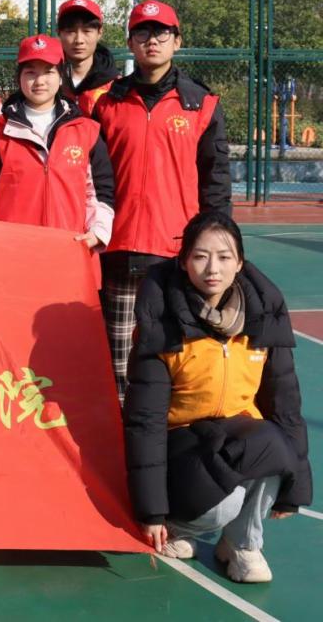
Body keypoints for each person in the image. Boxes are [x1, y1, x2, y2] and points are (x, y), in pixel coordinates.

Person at [124, 211, 311, 583]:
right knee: (222, 504)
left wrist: (296, 487)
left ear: (240, 263)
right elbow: (145, 423)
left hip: (237, 437)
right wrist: (152, 511)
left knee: (274, 447)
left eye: (224, 257)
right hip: (181, 446)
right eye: (200, 256)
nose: (213, 268)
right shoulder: (163, 323)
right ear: (183, 261)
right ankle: (181, 526)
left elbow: (285, 406)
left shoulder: (263, 318)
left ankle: (241, 544)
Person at [93, 0, 231, 399]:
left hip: (176, 252)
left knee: (176, 356)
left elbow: (216, 182)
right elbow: (94, 179)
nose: (152, 40)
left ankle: (175, 433)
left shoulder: (202, 105)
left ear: (177, 41)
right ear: (130, 42)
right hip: (118, 249)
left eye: (161, 32)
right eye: (142, 32)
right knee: (119, 364)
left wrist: (217, 245)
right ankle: (124, 434)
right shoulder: (107, 103)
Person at [0, 35, 114, 276]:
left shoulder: (87, 130)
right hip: (12, 258)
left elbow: (101, 191)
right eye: (31, 72)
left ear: (61, 75)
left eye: (49, 72)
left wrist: (98, 232)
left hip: (72, 254)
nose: (40, 81)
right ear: (19, 77)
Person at [56, 0, 119, 116]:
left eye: (87, 31)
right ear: (59, 33)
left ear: (99, 33)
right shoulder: (47, 82)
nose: (79, 40)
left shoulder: (115, 87)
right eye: (70, 31)